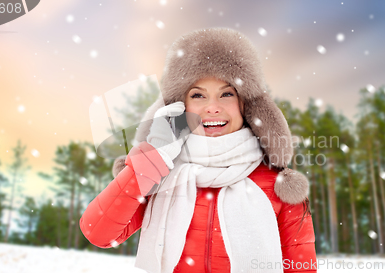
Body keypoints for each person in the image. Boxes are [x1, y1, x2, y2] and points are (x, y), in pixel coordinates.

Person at [80, 28, 317, 273]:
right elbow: (98, 233)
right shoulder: (158, 175)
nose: (212, 108)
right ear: (179, 107)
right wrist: (152, 157)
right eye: (198, 95)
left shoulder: (278, 185)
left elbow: (300, 267)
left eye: (226, 93)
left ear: (245, 104)